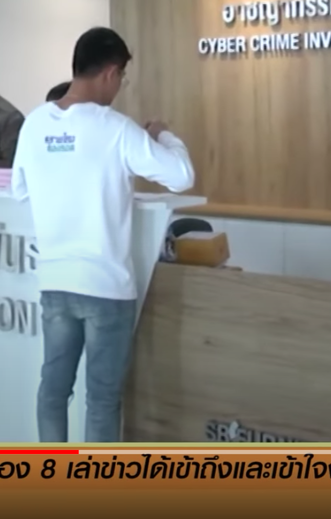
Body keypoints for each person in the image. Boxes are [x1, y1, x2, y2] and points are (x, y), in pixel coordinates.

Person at [11, 27, 195, 442]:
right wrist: (163, 134)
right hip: (106, 285)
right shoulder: (115, 128)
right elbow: (182, 176)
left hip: (55, 281)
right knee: (102, 399)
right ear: (111, 72)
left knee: (53, 392)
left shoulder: (35, 123)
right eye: (122, 77)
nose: (119, 86)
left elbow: (19, 190)